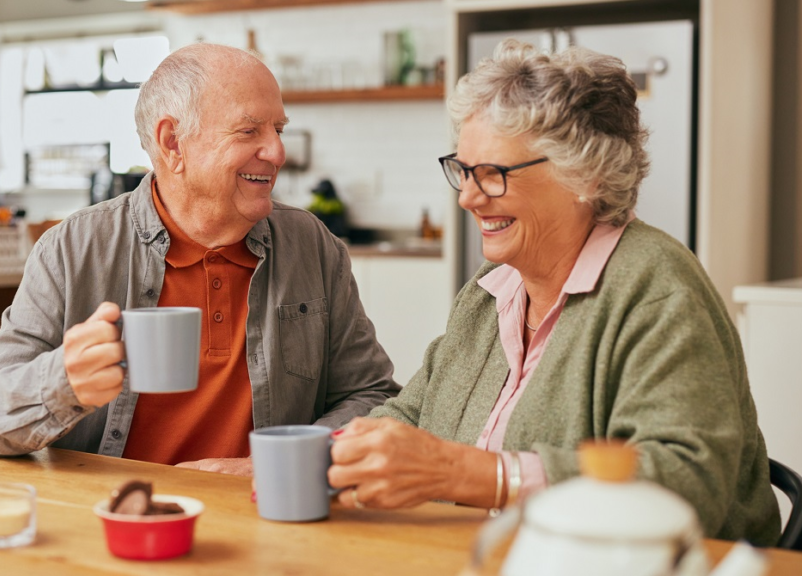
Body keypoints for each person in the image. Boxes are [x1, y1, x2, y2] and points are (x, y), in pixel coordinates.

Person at [327, 39, 780, 544]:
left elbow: (686, 482)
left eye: (494, 174)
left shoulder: (658, 290)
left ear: (584, 175)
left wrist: (471, 474)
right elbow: (414, 415)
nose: (470, 198)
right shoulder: (488, 292)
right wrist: (322, 455)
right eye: (463, 171)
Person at [0, 43, 399, 476]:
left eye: (278, 130)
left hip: (265, 516)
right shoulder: (73, 249)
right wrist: (63, 382)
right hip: (112, 520)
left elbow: (373, 396)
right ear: (172, 143)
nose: (278, 153)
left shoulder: (311, 245)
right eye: (249, 131)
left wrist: (280, 463)